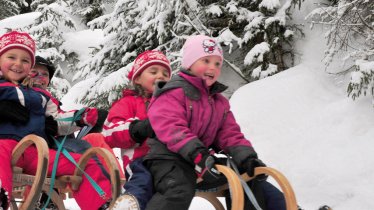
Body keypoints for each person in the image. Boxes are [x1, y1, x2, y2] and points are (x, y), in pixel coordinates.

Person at [144, 34, 287, 210]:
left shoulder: (218, 102)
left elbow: (229, 133)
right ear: (190, 63)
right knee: (177, 188)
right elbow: (171, 128)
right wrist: (198, 155)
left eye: (217, 63)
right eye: (206, 60)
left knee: (248, 177)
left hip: (201, 161)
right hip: (167, 159)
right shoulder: (172, 92)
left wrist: (247, 158)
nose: (212, 67)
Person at [0, 30, 127, 210]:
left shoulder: (41, 96)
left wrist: (82, 117)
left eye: (25, 60)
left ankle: (105, 203)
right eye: (11, 57)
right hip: (3, 146)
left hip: (36, 153)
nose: (18, 64)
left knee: (85, 162)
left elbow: (59, 119)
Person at [102, 50, 172, 210]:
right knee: (143, 180)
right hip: (140, 159)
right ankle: (128, 205)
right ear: (138, 79)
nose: (161, 76)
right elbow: (108, 132)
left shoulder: (174, 105)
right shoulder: (128, 103)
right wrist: (136, 129)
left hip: (170, 162)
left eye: (165, 73)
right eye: (153, 71)